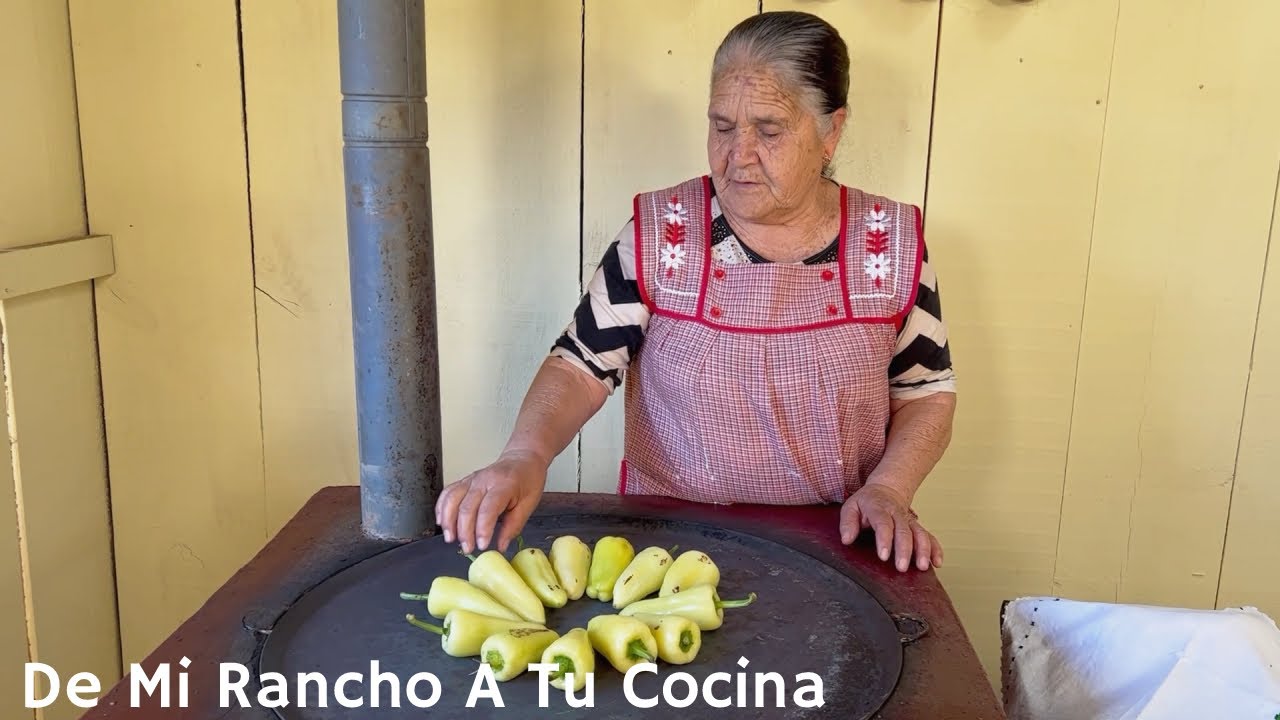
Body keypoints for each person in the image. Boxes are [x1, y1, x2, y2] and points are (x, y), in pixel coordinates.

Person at [436, 11, 956, 573]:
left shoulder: (890, 243)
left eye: (769, 129)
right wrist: (525, 454)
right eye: (722, 126)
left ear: (831, 131)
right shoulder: (662, 232)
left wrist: (891, 489)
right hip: (666, 543)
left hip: (835, 542)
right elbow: (582, 364)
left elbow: (925, 393)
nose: (739, 152)